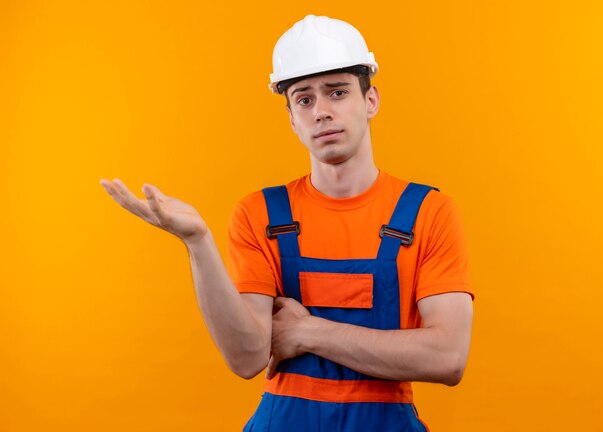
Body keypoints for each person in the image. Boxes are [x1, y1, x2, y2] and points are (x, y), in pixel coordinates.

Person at [100, 14, 474, 432]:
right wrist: (198, 243)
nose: (321, 112)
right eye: (304, 99)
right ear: (292, 118)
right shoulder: (259, 215)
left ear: (370, 101)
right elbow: (247, 359)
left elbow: (447, 358)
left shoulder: (428, 212)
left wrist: (308, 331)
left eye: (337, 92)